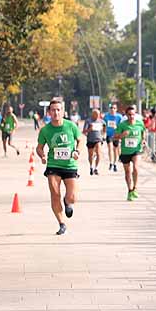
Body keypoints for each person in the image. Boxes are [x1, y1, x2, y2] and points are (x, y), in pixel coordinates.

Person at [35, 98, 82, 236]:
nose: (56, 113)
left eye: (58, 110)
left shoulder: (71, 126)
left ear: (62, 111)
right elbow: (39, 148)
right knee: (55, 195)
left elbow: (80, 140)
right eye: (53, 110)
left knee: (72, 197)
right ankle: (62, 223)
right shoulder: (45, 130)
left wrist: (77, 151)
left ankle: (68, 203)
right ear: (49, 112)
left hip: (70, 165)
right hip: (53, 165)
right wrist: (42, 156)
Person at [113, 106, 145, 200]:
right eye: (129, 115)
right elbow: (115, 137)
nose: (131, 116)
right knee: (127, 172)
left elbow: (143, 132)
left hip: (136, 150)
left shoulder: (139, 124)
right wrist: (122, 135)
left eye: (133, 115)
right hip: (126, 151)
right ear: (126, 115)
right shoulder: (122, 125)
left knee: (135, 168)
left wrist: (143, 140)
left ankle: (135, 187)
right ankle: (130, 190)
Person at [82, 108, 106, 175]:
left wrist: (103, 135)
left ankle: (96, 168)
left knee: (99, 153)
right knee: (90, 155)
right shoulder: (88, 121)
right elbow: (84, 132)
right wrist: (89, 129)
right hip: (90, 139)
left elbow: (104, 129)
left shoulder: (102, 121)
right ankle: (91, 166)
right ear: (92, 114)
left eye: (98, 114)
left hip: (98, 139)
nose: (97, 115)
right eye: (95, 114)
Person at [103, 102, 123, 172]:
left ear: (116, 109)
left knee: (115, 150)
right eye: (111, 108)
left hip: (116, 135)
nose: (112, 109)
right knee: (110, 148)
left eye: (114, 108)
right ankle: (111, 163)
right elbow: (104, 126)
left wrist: (117, 128)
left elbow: (121, 126)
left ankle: (115, 164)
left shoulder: (119, 116)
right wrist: (104, 134)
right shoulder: (106, 116)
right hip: (109, 135)